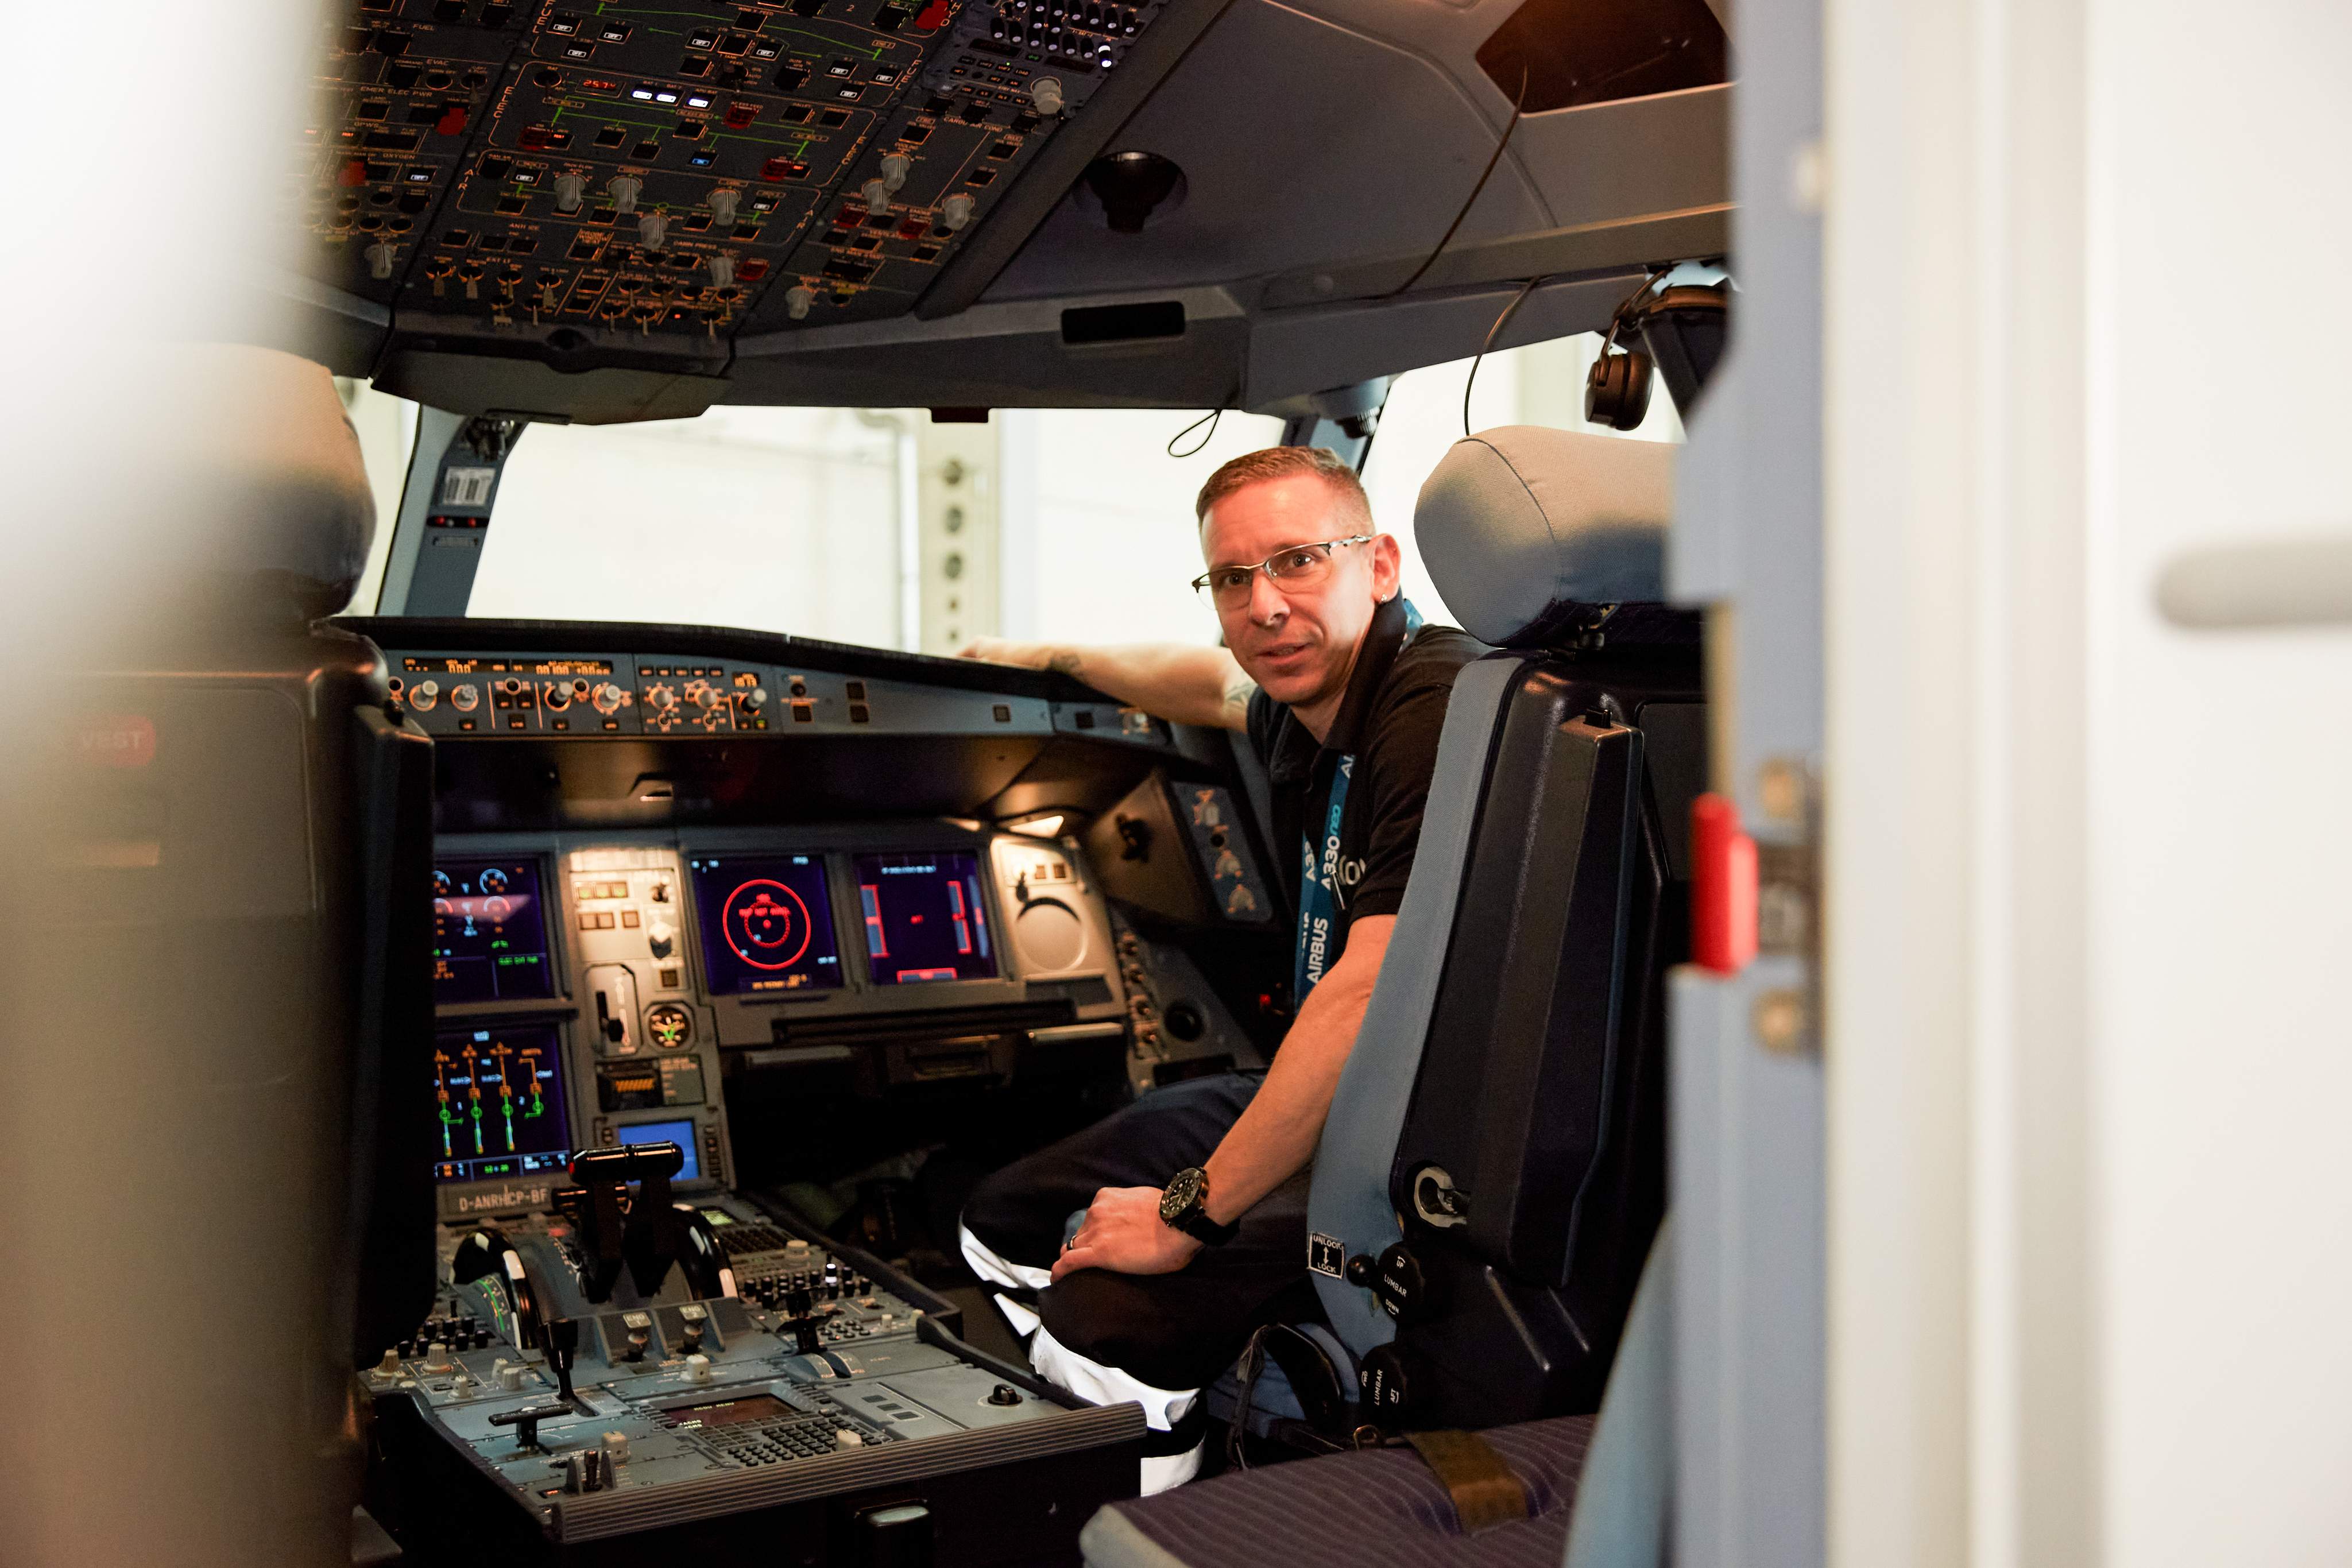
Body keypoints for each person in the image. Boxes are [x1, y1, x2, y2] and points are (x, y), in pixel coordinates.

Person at [956, 445, 1485, 1489]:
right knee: (997, 1217)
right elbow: (1204, 681)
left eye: (1297, 561)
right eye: (1233, 578)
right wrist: (1048, 653)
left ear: (1380, 564)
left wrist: (1185, 1216)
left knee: (1108, 1324)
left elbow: (1366, 994)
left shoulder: (1432, 709)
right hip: (1345, 1094)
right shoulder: (1317, 695)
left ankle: (1161, 1501)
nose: (1266, 606)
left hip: (1423, 1138)